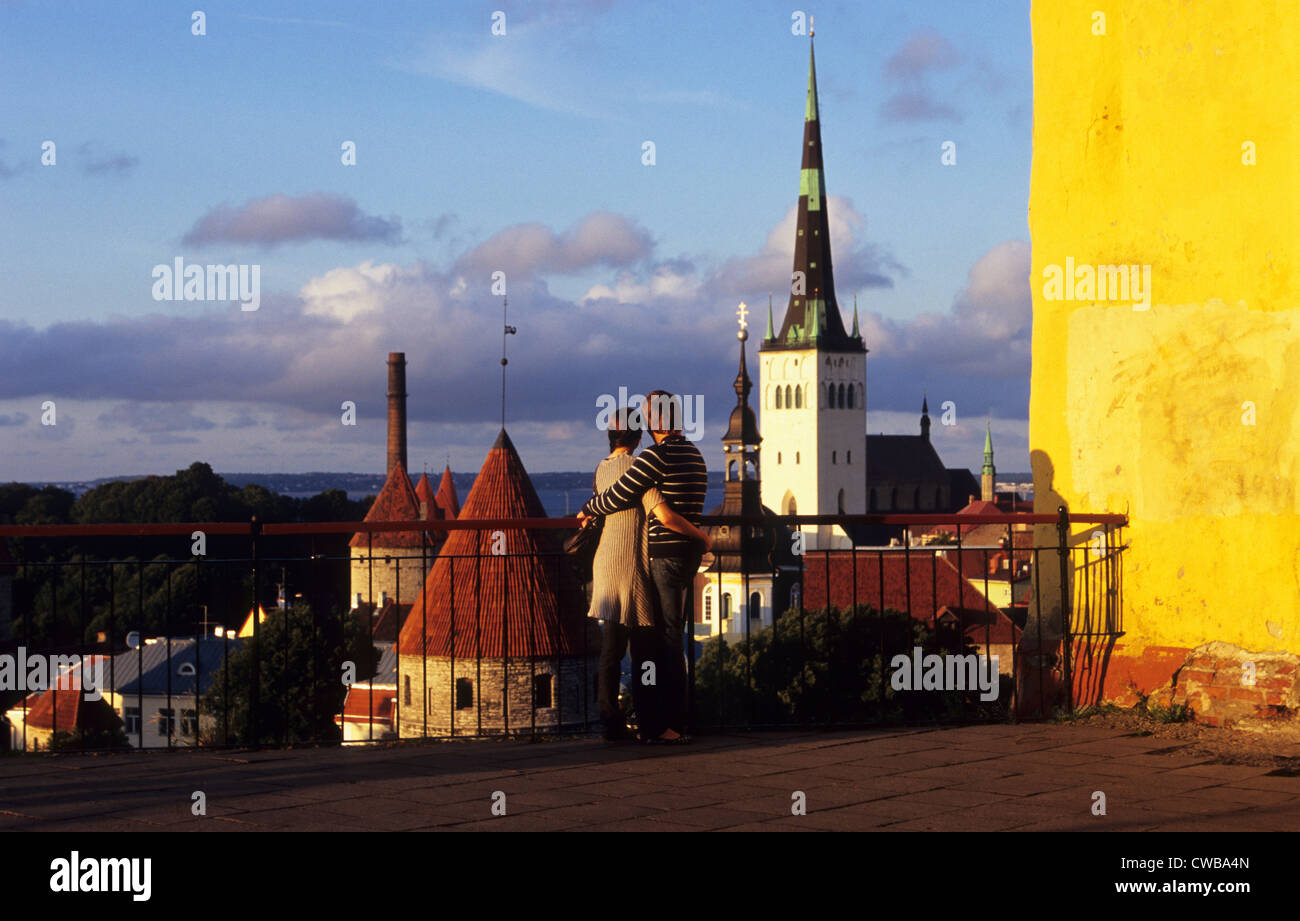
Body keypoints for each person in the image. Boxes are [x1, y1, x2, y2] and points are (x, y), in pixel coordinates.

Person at [580, 390, 709, 743]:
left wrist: (590, 507)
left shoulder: (615, 467)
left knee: (621, 647)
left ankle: (617, 719)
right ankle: (660, 722)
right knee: (656, 645)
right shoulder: (678, 459)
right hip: (656, 564)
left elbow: (617, 498)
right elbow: (667, 508)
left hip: (618, 564)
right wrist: (702, 537)